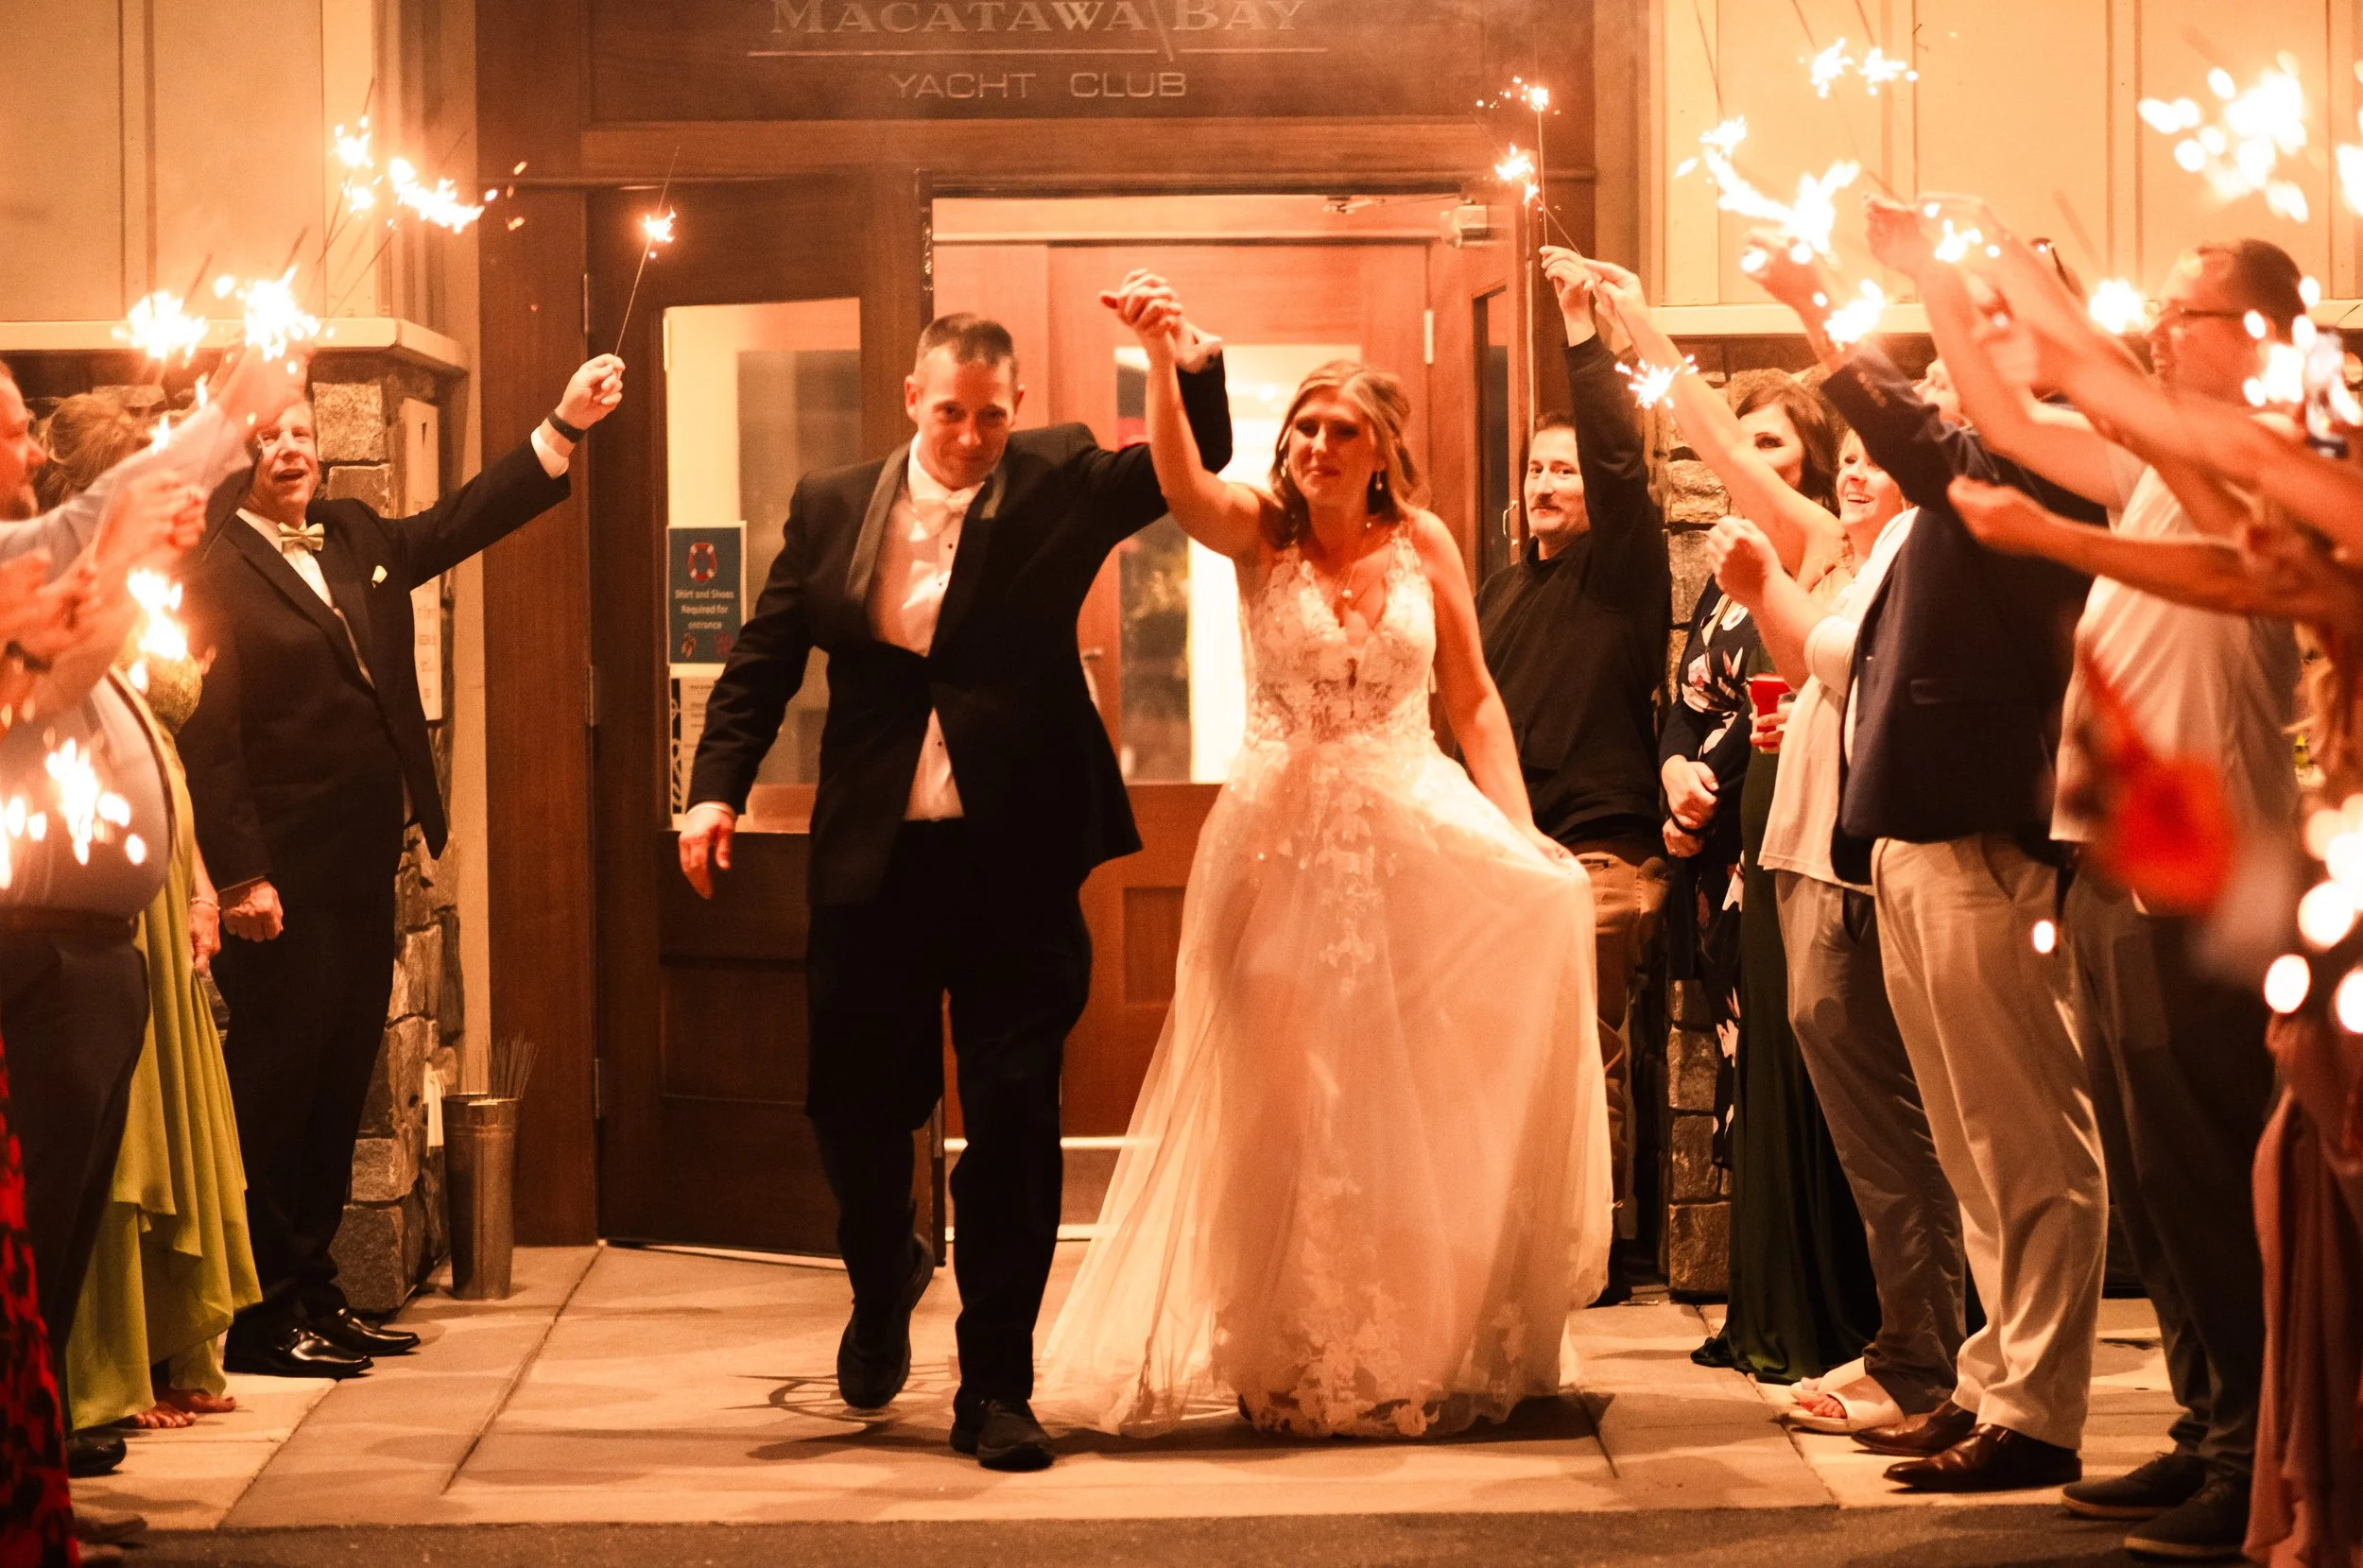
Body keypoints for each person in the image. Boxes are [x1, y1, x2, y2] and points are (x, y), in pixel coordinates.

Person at [1036, 277, 1610, 1441]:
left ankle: (1401, 1339)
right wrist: (1159, 358)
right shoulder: (1260, 533)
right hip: (1278, 853)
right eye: (1302, 427)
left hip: (1410, 841)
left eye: (1339, 430)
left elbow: (1474, 699)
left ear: (1382, 452)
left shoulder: (1425, 544)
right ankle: (1285, 1350)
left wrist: (1519, 835)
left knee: (1399, 1107)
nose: (1313, 446)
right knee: (1287, 1106)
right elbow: (1181, 487)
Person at [677, 302, 1233, 1473]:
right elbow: (766, 653)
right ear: (912, 404)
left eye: (991, 415)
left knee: (1016, 1120)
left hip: (1016, 859)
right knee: (855, 1110)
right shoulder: (833, 503)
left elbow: (1197, 467)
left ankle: (996, 1387)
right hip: (875, 860)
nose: (972, 436)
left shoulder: (1057, 476)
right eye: (950, 414)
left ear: (1016, 408)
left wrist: (1186, 368)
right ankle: (883, 1280)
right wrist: (714, 788)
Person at [1911, 215, 2301, 1551]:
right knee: (2157, 1173)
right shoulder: (2154, 467)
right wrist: (1930, 284)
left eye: (2186, 315)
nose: (2157, 333)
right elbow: (2008, 424)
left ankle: (2256, 1448)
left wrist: (2043, 309)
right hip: (2120, 858)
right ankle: (2206, 1426)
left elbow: (2086, 401)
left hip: (2211, 865)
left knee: (2208, 1172)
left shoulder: (2266, 471)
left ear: (2257, 339)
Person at [177, 354, 625, 1382]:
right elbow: (213, 739)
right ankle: (261, 1313)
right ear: (231, 454)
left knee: (341, 1082)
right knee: (278, 1090)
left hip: (360, 867)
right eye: (265, 438)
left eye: (297, 432)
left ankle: (316, 1288)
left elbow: (461, 521)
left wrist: (562, 425)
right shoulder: (209, 569)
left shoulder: (354, 535)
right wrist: (242, 876)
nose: (286, 450)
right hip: (279, 885)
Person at [1763, 194, 2109, 1497]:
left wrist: (1825, 302)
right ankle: (1987, 1378)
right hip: (1913, 835)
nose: (1983, 326)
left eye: (2008, 307)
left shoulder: (2067, 444)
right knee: (1971, 1136)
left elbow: (1915, 431)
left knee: (2026, 1138)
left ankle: (2040, 1408)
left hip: (1989, 830)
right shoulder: (1983, 452)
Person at [1580, 257, 1880, 1387]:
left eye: (1865, 462)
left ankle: (1854, 1317)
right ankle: (1785, 1309)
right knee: (1778, 1066)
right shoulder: (1820, 539)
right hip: (1766, 826)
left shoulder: (1898, 553)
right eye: (1842, 467)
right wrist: (1646, 332)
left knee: (1842, 1079)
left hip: (1850, 834)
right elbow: (1707, 439)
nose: (1850, 481)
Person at [0, 350, 296, 1490]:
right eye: (13, 431)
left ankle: (40, 1482)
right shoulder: (22, 566)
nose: (31, 450)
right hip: (32, 951)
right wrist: (223, 422)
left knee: (59, 1236)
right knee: (35, 1237)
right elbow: (78, 555)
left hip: (92, 950)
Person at [1475, 248, 1670, 1296]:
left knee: (1585, 1062)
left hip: (1597, 855)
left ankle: (1586, 1251)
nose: (1550, 486)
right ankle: (1523, 1236)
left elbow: (1617, 459)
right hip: (1502, 861)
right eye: (1535, 472)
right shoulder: (1499, 593)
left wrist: (1584, 334)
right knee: (1508, 1065)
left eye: (1564, 472)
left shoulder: (1622, 568)